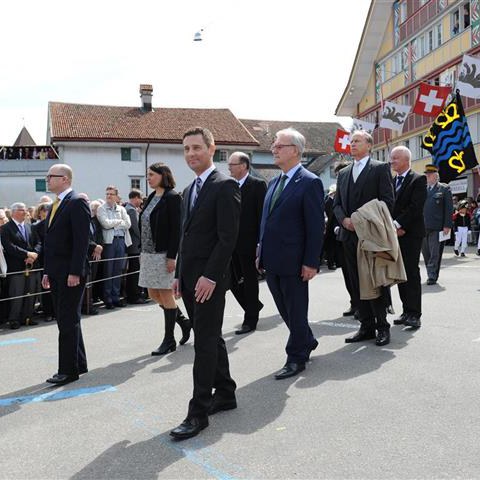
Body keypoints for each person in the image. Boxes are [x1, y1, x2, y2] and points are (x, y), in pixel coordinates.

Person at [170, 127, 240, 440]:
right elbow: (184, 237)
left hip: (209, 280)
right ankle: (225, 392)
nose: (191, 154)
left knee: (205, 343)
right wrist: (178, 274)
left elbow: (228, 238)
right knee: (208, 336)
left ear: (212, 149)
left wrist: (210, 276)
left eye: (197, 147)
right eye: (186, 149)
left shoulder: (224, 185)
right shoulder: (188, 190)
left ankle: (197, 412)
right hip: (188, 279)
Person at [258, 128, 325, 379]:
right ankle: (306, 339)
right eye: (274, 146)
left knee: (296, 311)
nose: (273, 150)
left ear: (295, 151)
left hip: (295, 261)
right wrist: (260, 250)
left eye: (279, 146)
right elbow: (266, 220)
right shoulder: (274, 182)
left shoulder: (310, 182)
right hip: (272, 258)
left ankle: (296, 357)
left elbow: (315, 227)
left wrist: (311, 262)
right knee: (285, 309)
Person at [333, 130, 394, 346]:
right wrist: (344, 220)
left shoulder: (380, 168)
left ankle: (382, 326)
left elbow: (387, 201)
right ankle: (366, 326)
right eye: (351, 141)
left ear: (369, 145)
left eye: (357, 141)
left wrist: (360, 220)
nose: (352, 144)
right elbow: (337, 204)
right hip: (349, 236)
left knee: (375, 280)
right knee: (356, 281)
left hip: (371, 234)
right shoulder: (343, 173)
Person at [41, 164, 90, 385]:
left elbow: (81, 241)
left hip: (70, 273)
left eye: (51, 176)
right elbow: (50, 243)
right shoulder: (56, 204)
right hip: (56, 272)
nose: (47, 179)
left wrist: (75, 272)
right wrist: (47, 271)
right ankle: (79, 363)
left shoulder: (77, 201)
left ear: (65, 179)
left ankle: (68, 370)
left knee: (66, 321)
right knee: (69, 319)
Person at [138, 163, 191, 355]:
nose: (148, 178)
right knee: (153, 294)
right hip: (148, 253)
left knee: (166, 294)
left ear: (163, 176)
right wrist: (142, 252)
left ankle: (169, 340)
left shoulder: (173, 197)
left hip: (163, 253)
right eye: (148, 175)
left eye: (152, 174)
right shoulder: (152, 196)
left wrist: (171, 256)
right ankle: (183, 322)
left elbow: (177, 229)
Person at [227, 152, 267, 335]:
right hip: (230, 243)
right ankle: (253, 305)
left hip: (249, 243)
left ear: (243, 166)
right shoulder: (228, 186)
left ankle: (250, 319)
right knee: (231, 281)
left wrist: (260, 243)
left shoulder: (257, 185)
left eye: (232, 164)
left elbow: (262, 216)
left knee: (250, 280)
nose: (229, 168)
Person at [390, 146, 427, 330]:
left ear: (406, 160)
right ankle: (406, 311)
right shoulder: (391, 181)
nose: (392, 161)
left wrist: (398, 224)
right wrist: (391, 227)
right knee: (400, 274)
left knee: (411, 273)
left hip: (411, 234)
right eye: (391, 158)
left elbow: (415, 207)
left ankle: (414, 314)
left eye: (395, 158)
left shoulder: (418, 179)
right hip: (394, 234)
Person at [1, 202, 41, 329]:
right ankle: (14, 319)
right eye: (22, 210)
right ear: (14, 212)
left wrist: (34, 255)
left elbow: (38, 242)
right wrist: (26, 254)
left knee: (30, 293)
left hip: (31, 265)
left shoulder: (30, 227)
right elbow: (10, 247)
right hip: (17, 267)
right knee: (17, 294)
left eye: (25, 210)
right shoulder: (6, 228)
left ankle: (27, 317)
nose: (26, 212)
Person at [96, 186, 132, 308]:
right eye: (107, 194)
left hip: (121, 241)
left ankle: (116, 297)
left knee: (118, 271)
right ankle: (107, 299)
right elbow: (105, 224)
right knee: (108, 270)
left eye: (111, 194)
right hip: (109, 243)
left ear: (116, 196)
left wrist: (114, 223)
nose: (109, 196)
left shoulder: (121, 209)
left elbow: (128, 224)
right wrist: (119, 222)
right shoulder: (101, 208)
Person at [422, 164, 453, 285]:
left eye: (429, 175)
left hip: (437, 227)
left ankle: (432, 275)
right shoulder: (422, 189)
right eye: (426, 175)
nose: (427, 177)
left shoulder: (444, 189)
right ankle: (431, 272)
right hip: (423, 226)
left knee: (435, 253)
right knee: (426, 253)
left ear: (436, 176)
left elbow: (449, 209)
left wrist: (447, 225)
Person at [125, 189, 145, 305]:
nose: (141, 201)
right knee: (134, 272)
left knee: (134, 271)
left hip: (134, 246)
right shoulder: (131, 210)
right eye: (140, 198)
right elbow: (136, 228)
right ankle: (134, 296)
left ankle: (135, 294)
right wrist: (144, 239)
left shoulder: (130, 209)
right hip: (134, 247)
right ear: (136, 197)